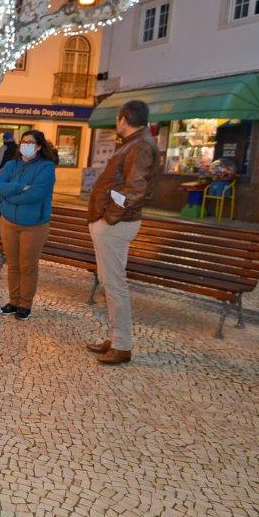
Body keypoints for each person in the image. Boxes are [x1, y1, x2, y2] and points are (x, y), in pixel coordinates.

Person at [86, 100, 160, 365]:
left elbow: (135, 189)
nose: (117, 124)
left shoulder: (140, 145)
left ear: (124, 118)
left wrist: (109, 219)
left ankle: (122, 345)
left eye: (118, 119)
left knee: (115, 285)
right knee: (110, 284)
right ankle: (116, 338)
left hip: (116, 225)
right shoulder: (134, 143)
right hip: (113, 223)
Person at [0, 130, 58, 320]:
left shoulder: (46, 167)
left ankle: (25, 304)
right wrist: (20, 187)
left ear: (39, 147)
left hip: (34, 225)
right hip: (8, 222)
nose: (26, 145)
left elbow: (36, 194)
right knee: (13, 264)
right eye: (24, 141)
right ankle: (14, 301)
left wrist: (10, 194)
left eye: (31, 142)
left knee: (27, 265)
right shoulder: (11, 164)